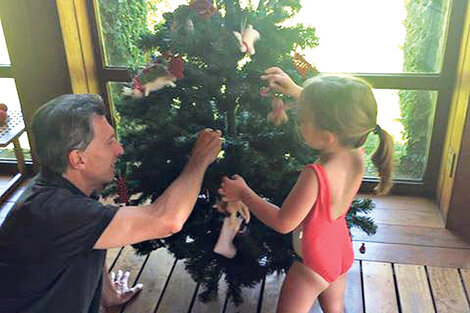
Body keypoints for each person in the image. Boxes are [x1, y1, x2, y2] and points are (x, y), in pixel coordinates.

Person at [0, 94, 222, 313]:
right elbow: (167, 220)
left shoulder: (69, 189)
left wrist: (110, 296)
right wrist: (199, 159)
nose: (120, 150)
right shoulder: (57, 211)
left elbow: (92, 239)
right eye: (109, 142)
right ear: (78, 159)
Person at [218, 67, 393, 313]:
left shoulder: (315, 175)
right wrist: (298, 92)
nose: (299, 122)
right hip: (340, 248)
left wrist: (244, 193)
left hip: (313, 262)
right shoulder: (356, 153)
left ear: (328, 135)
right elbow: (338, 116)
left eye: (303, 120)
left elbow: (283, 222)